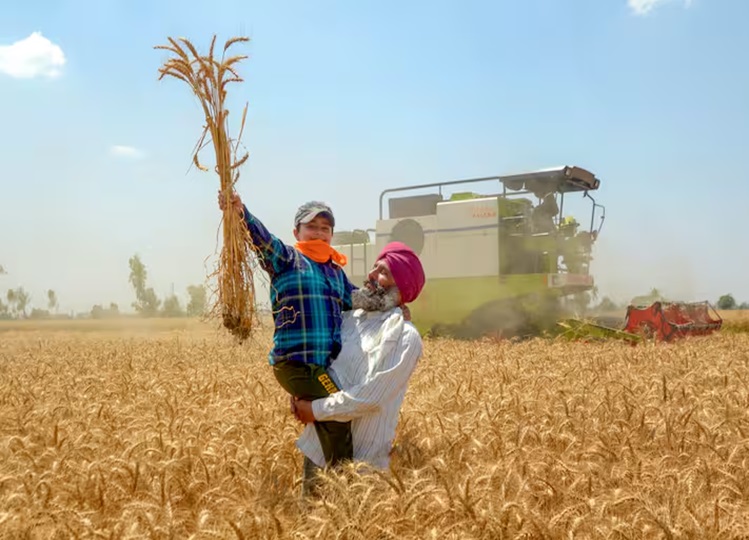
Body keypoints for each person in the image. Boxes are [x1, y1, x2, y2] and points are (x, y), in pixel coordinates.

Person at [219, 191, 357, 468]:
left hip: (320, 368)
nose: (319, 232)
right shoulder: (287, 259)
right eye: (312, 227)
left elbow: (358, 301)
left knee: (323, 421)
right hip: (295, 364)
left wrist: (394, 303)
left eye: (325, 228)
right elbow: (262, 240)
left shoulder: (336, 272)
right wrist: (239, 211)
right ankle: (346, 486)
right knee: (338, 415)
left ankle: (315, 497)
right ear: (297, 231)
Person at [291, 241, 426, 496]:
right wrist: (300, 390)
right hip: (318, 450)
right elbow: (321, 361)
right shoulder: (347, 318)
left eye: (383, 272)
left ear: (402, 288)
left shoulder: (405, 337)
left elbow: (371, 396)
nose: (371, 275)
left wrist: (315, 410)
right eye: (374, 268)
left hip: (362, 465)